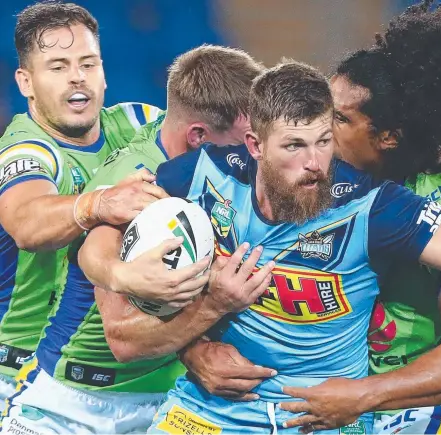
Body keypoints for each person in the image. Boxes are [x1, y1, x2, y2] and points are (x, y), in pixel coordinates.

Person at [86, 60, 441, 434]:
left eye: (326, 138)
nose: (315, 164)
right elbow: (103, 230)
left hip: (326, 418)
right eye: (294, 146)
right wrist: (125, 278)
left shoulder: (375, 205)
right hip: (211, 411)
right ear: (254, 145)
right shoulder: (204, 174)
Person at [173, 2, 441, 433]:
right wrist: (195, 349)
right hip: (347, 403)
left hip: (423, 409)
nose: (320, 125)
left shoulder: (440, 198)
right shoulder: (311, 183)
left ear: (388, 137)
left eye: (338, 118)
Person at [0, 45, 272, 435]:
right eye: (246, 138)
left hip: (170, 399)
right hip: (70, 406)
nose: (254, 151)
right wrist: (213, 305)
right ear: (198, 137)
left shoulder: (163, 131)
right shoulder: (139, 187)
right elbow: (124, 340)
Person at [0, 1, 165, 409]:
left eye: (88, 64)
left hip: (130, 378)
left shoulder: (138, 122)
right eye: (57, 67)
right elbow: (26, 222)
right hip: (23, 378)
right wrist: (100, 203)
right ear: (26, 82)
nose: (78, 78)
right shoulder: (24, 151)